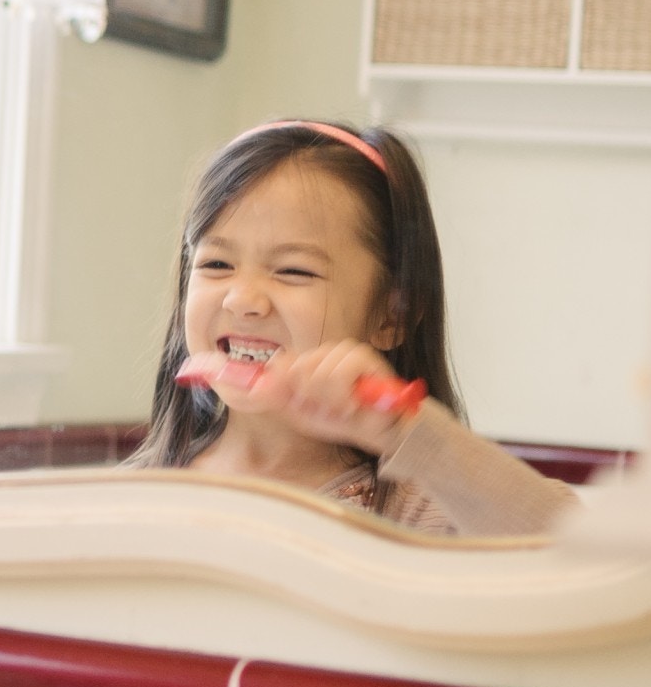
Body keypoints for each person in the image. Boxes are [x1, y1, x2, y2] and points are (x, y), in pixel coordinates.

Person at [124, 120, 574, 537]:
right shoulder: (132, 496)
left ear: (391, 316)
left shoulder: (421, 513)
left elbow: (578, 555)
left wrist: (411, 434)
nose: (241, 299)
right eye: (216, 263)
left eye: (293, 271)